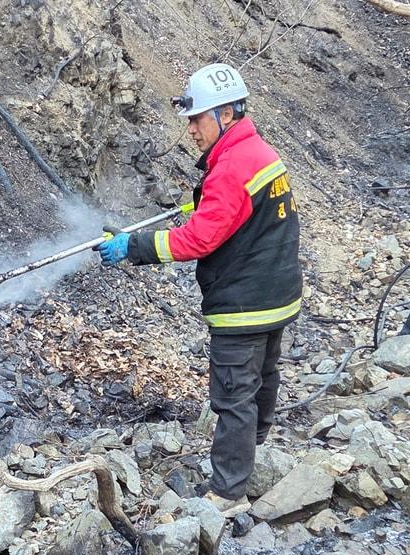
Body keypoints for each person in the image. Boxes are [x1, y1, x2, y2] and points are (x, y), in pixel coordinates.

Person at [96, 62, 301, 515]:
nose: (190, 128)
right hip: (277, 296)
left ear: (225, 113)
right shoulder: (256, 152)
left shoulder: (231, 167)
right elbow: (237, 207)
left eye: (197, 118)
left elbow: (200, 238)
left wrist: (134, 247)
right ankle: (256, 451)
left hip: (243, 306)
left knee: (233, 395)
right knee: (264, 376)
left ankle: (228, 493)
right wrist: (201, 200)